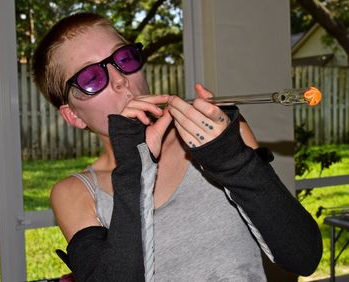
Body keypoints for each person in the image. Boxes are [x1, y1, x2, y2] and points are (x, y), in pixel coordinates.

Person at [32, 12, 322, 282]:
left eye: (123, 58)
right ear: (73, 115)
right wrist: (135, 165)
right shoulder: (75, 192)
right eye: (91, 77)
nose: (121, 79)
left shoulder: (215, 137)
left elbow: (304, 256)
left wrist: (232, 160)